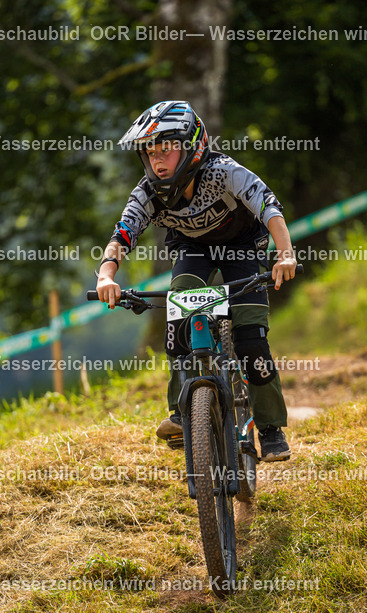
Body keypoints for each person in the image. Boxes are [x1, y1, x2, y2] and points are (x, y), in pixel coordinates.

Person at [94, 100, 298, 462]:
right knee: (179, 320)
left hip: (241, 249)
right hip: (193, 251)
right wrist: (106, 275)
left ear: (192, 146)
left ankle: (270, 429)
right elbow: (122, 234)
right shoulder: (148, 192)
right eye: (150, 152)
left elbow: (269, 207)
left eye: (166, 149)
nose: (157, 160)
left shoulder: (225, 172)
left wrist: (285, 254)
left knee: (251, 340)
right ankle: (181, 413)